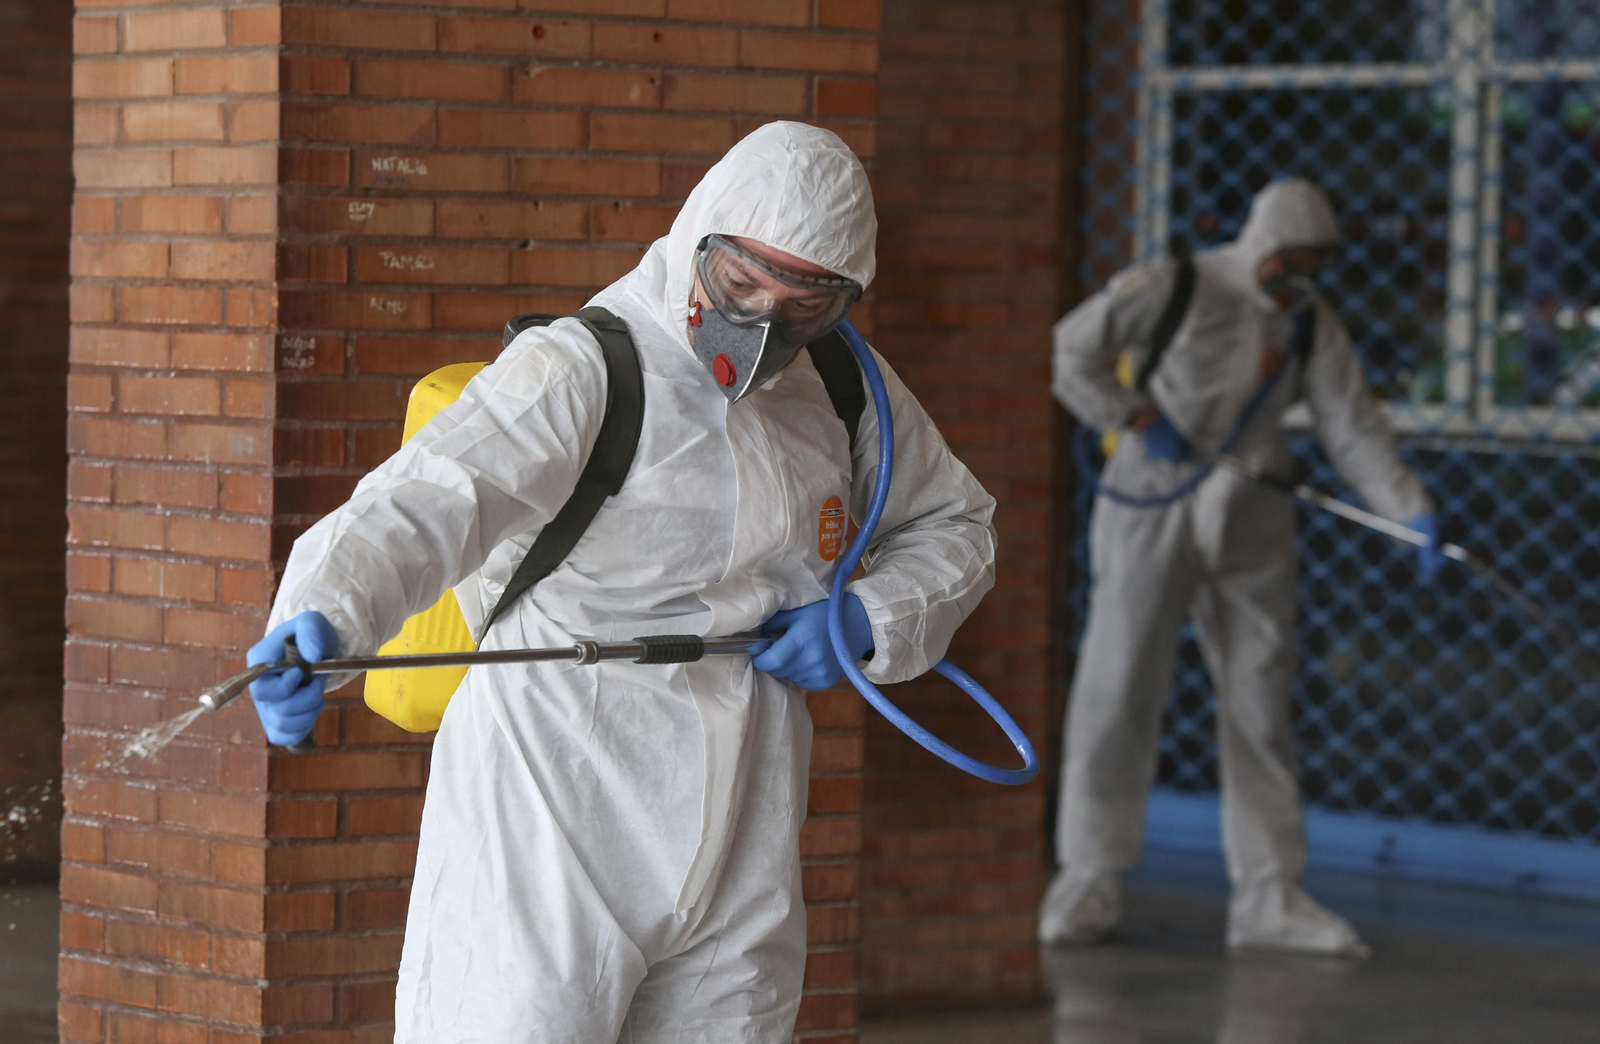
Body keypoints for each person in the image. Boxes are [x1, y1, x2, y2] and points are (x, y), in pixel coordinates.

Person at [244, 122, 996, 1043]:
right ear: (697, 237)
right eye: (741, 284)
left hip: (748, 806)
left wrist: (870, 615)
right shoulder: (586, 367)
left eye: (804, 305)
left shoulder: (842, 384)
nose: (764, 323)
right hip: (556, 793)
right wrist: (318, 617)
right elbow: (426, 503)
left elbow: (957, 523)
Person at [1042, 179, 1441, 958]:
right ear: (1263, 245)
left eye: (1313, 266)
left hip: (1251, 509)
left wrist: (1407, 507)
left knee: (1260, 699)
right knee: (1118, 686)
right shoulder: (1173, 285)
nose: (1298, 279)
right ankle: (1086, 879)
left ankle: (1268, 895)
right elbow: (1069, 351)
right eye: (1291, 262)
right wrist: (1132, 419)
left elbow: (1351, 425)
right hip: (1151, 501)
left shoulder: (1309, 327)